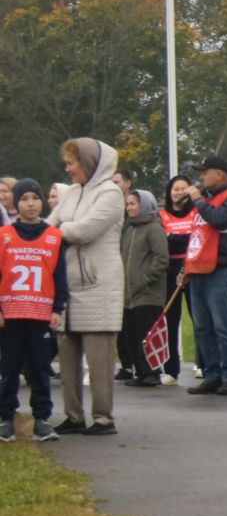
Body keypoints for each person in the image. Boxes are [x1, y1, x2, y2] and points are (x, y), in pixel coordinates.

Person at [50, 138, 126, 434]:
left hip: (99, 286)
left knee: (99, 361)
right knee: (67, 358)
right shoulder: (71, 193)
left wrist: (53, 233)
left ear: (89, 162)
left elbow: (85, 230)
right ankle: (73, 415)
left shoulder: (111, 193)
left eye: (72, 163)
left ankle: (103, 418)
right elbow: (49, 224)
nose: (68, 169)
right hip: (67, 285)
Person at [0, 179, 66, 442]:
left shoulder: (54, 236)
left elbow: (59, 277)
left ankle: (42, 418)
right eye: (24, 198)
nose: (30, 203)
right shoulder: (4, 235)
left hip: (40, 313)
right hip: (12, 312)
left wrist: (57, 307)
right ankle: (6, 417)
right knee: (10, 366)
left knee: (39, 368)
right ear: (16, 203)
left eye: (35, 198)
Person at [181, 155, 227, 396]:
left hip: (220, 269)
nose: (200, 177)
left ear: (219, 174)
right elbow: (196, 237)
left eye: (205, 172)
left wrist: (198, 200)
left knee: (223, 325)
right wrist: (185, 268)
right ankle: (212, 374)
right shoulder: (205, 200)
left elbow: (219, 220)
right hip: (197, 269)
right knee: (203, 327)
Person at [117, 189, 170, 387]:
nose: (129, 207)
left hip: (148, 294)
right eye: (128, 204)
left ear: (145, 205)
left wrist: (145, 278)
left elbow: (161, 258)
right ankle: (140, 371)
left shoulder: (154, 229)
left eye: (133, 203)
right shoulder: (129, 229)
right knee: (131, 334)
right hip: (129, 294)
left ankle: (151, 372)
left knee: (145, 334)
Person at [158, 176, 196, 385]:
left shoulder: (196, 213)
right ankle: (171, 369)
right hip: (168, 271)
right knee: (170, 321)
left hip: (192, 269)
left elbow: (195, 240)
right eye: (175, 188)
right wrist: (178, 240)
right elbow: (162, 243)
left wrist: (174, 238)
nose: (179, 192)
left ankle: (202, 364)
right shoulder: (161, 214)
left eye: (183, 188)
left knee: (198, 318)